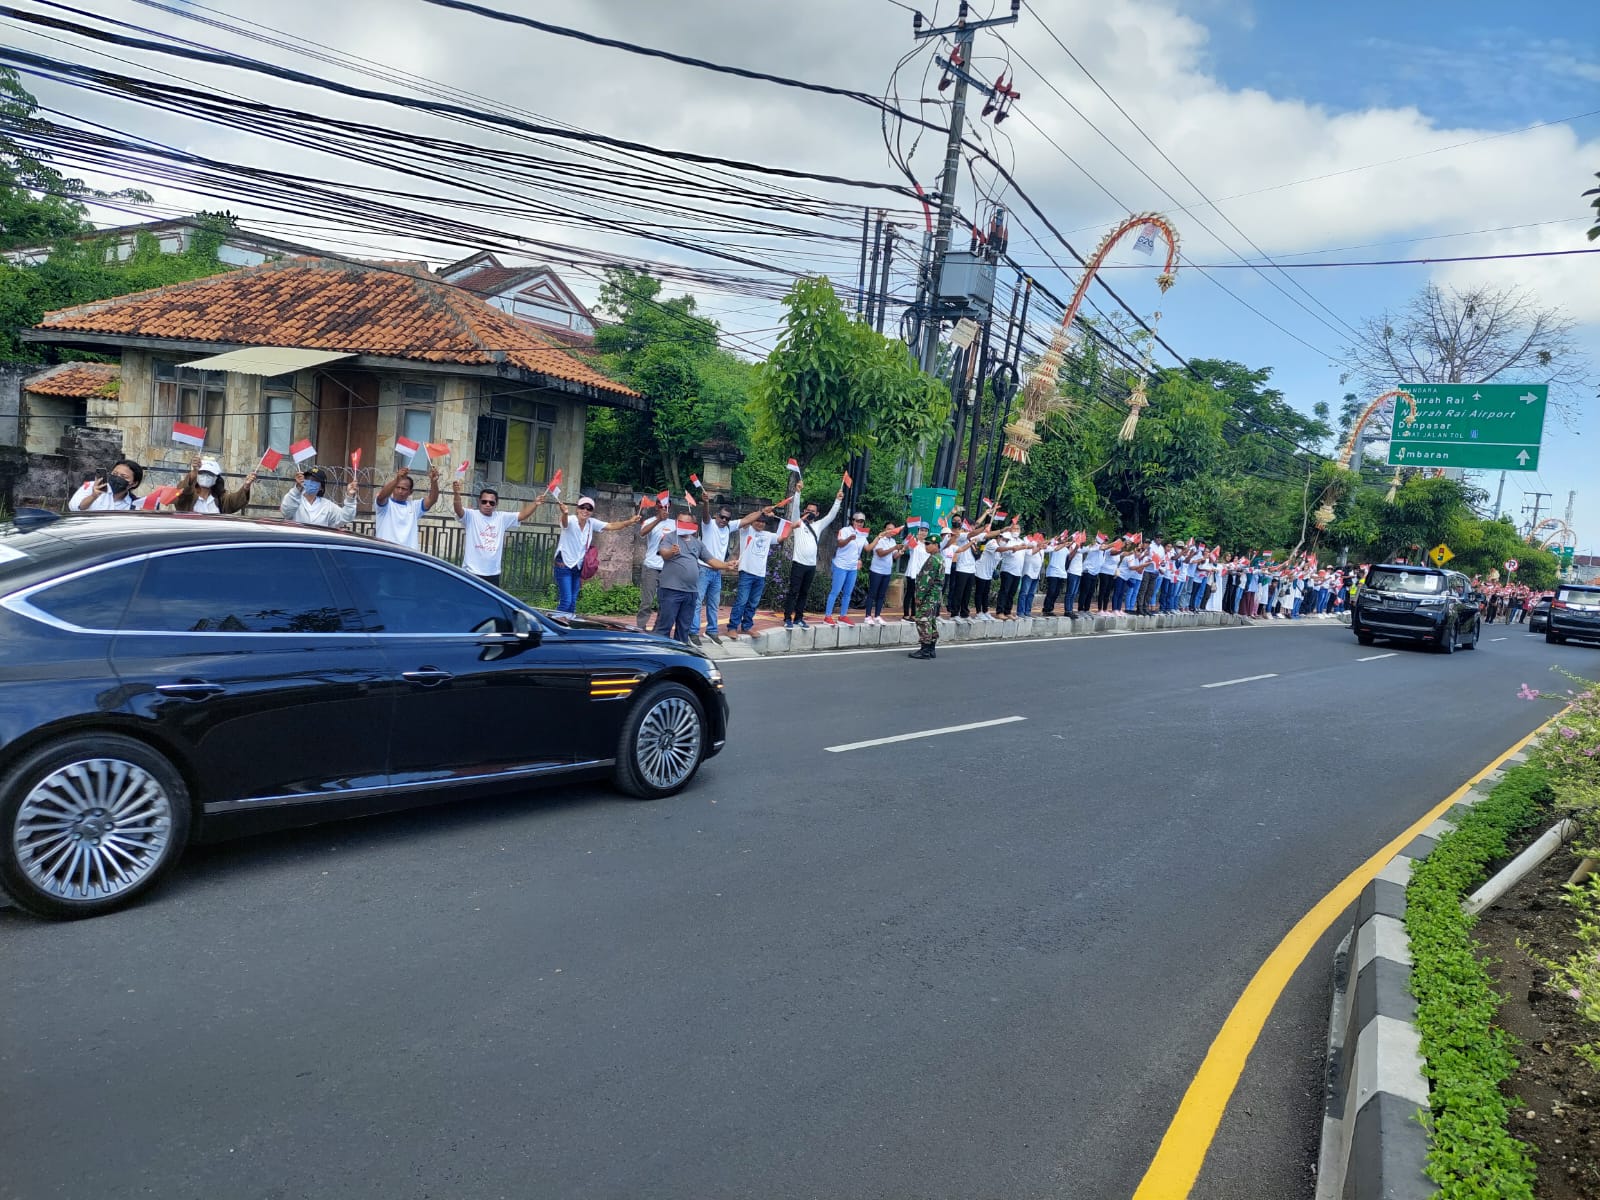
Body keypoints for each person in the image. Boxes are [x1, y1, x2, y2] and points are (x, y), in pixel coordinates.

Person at [549, 493, 641, 612]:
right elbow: (564, 524)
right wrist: (565, 513)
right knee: (566, 600)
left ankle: (567, 626)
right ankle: (555, 626)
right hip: (564, 564)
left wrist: (629, 521)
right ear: (577, 509)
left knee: (572, 602)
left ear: (592, 511)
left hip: (577, 566)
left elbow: (611, 526)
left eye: (589, 508)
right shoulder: (571, 519)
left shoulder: (591, 523)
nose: (585, 510)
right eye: (582, 507)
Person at [451, 479, 552, 588]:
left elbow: (522, 515)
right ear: (479, 501)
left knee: (489, 604)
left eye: (491, 502)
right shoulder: (471, 516)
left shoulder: (501, 517)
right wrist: (457, 494)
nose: (487, 504)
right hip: (471, 571)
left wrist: (535, 504)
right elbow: (458, 510)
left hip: (493, 572)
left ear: (496, 504)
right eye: (484, 501)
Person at [691, 499, 764, 645]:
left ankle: (711, 631)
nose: (724, 520)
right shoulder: (708, 525)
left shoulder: (728, 527)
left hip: (717, 572)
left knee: (713, 603)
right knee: (697, 602)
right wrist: (705, 503)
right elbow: (705, 515)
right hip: (703, 569)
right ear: (716, 515)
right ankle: (693, 632)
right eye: (722, 517)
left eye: (727, 518)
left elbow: (746, 520)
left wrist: (762, 512)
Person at [653, 509, 732, 643]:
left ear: (693, 525)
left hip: (690, 592)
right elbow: (663, 553)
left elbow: (710, 560)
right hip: (671, 590)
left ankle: (680, 654)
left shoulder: (697, 543)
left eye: (686, 523)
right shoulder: (670, 537)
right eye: (680, 522)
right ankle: (660, 653)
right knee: (664, 626)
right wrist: (672, 552)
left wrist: (727, 565)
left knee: (684, 627)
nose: (682, 525)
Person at [784, 483, 844, 629]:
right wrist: (797, 492)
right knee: (793, 591)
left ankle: (799, 618)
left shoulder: (818, 525)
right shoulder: (798, 523)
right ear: (805, 511)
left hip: (811, 566)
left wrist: (838, 500)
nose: (810, 513)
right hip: (798, 563)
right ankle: (787, 619)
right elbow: (795, 510)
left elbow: (831, 516)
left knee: (804, 593)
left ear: (817, 514)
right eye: (808, 510)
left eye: (813, 511)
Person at [726, 507, 787, 638]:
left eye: (763, 521)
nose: (760, 523)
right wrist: (762, 512)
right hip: (746, 572)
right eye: (758, 521)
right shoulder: (746, 530)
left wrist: (792, 526)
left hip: (760, 575)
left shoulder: (768, 535)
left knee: (753, 603)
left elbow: (782, 537)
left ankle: (747, 626)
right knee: (741, 601)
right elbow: (746, 520)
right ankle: (732, 627)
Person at [372, 465, 439, 549]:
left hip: (407, 556)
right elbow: (381, 497)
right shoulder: (386, 505)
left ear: (410, 492)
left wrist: (434, 482)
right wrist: (397, 479)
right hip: (386, 553)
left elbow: (432, 499)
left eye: (404, 489)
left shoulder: (414, 507)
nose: (400, 491)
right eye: (397, 487)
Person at [824, 511, 871, 625]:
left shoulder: (863, 534)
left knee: (848, 593)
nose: (859, 523)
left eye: (862, 521)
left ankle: (843, 616)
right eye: (857, 521)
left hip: (852, 567)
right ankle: (827, 616)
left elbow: (868, 548)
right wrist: (850, 538)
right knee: (835, 591)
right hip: (840, 565)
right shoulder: (845, 530)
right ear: (852, 521)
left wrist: (879, 538)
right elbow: (839, 544)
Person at [172, 455, 255, 515]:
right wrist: (193, 473)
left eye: (210, 474)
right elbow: (180, 495)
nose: (206, 476)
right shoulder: (188, 497)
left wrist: (246, 487)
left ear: (216, 478)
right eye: (203, 472)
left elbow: (233, 502)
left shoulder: (219, 498)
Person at [908, 531, 945, 660]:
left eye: (928, 544)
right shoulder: (939, 558)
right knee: (931, 621)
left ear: (936, 545)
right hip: (934, 596)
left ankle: (925, 650)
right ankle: (931, 649)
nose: (926, 546)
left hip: (928, 596)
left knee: (923, 621)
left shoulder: (933, 560)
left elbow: (926, 581)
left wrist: (919, 596)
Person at [280, 466, 356, 529]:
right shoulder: (294, 498)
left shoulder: (327, 506)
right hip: (296, 543)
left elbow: (345, 517)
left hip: (318, 544)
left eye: (314, 481)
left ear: (321, 487)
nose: (310, 482)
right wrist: (298, 488)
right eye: (307, 479)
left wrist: (350, 497)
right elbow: (286, 511)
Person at [635, 500, 670, 633]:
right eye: (661, 507)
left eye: (666, 507)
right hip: (652, 566)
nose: (664, 509)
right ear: (657, 507)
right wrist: (658, 520)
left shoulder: (673, 523)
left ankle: (658, 629)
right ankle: (640, 627)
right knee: (647, 601)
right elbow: (642, 533)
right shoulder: (649, 521)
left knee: (664, 601)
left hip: (667, 567)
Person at [69, 458, 144, 511]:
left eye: (123, 476)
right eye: (114, 474)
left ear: (134, 483)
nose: (117, 478)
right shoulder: (92, 486)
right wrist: (93, 496)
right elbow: (74, 508)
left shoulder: (134, 504)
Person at [861, 523, 899, 625]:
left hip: (887, 571)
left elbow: (894, 556)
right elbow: (880, 553)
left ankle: (877, 615)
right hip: (876, 571)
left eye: (893, 529)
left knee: (881, 595)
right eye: (888, 529)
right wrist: (893, 548)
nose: (891, 531)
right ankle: (867, 616)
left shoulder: (893, 541)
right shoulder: (880, 539)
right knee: (872, 593)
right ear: (884, 529)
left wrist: (901, 551)